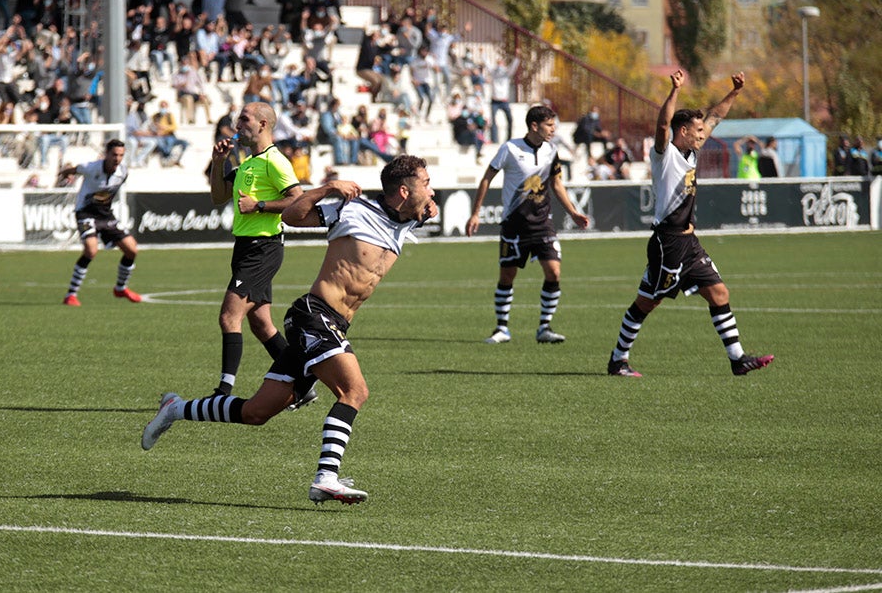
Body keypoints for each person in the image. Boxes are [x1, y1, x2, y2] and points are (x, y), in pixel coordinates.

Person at [142, 155, 438, 505]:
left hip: (333, 323)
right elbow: (291, 216)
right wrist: (327, 188)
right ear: (404, 190)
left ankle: (176, 408)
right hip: (314, 316)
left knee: (256, 412)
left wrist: (425, 208)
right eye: (427, 182)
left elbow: (417, 212)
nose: (432, 189)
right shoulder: (352, 210)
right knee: (354, 391)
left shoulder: (406, 219)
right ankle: (326, 478)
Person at [605, 70, 773, 378]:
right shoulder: (664, 155)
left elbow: (714, 117)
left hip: (689, 242)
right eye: (696, 130)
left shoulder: (692, 152)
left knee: (719, 294)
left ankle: (737, 359)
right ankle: (618, 360)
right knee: (646, 303)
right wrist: (675, 90)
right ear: (683, 131)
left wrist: (734, 92)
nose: (702, 133)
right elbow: (661, 124)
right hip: (667, 242)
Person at [466, 105, 590, 344]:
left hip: (543, 223)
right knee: (507, 275)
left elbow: (556, 184)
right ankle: (502, 328)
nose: (553, 130)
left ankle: (544, 328)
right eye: (549, 125)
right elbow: (486, 178)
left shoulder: (551, 150)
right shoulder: (510, 149)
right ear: (535, 126)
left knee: (554, 272)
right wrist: (475, 213)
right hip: (514, 224)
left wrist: (573, 212)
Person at [207, 101, 304, 398]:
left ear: (263, 124)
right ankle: (303, 383)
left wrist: (259, 205)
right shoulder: (245, 164)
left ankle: (223, 391)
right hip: (245, 248)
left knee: (228, 317)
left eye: (244, 119)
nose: (237, 124)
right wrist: (218, 161)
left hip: (264, 248)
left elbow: (299, 200)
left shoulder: (275, 161)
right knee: (261, 324)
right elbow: (218, 197)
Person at [59, 139, 142, 307]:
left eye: (120, 155)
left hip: (106, 215)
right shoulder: (91, 168)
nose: (117, 159)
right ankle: (71, 295)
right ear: (106, 154)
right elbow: (74, 169)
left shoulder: (123, 173)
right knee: (91, 250)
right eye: (114, 155)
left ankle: (120, 288)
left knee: (131, 250)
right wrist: (65, 172)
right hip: (86, 213)